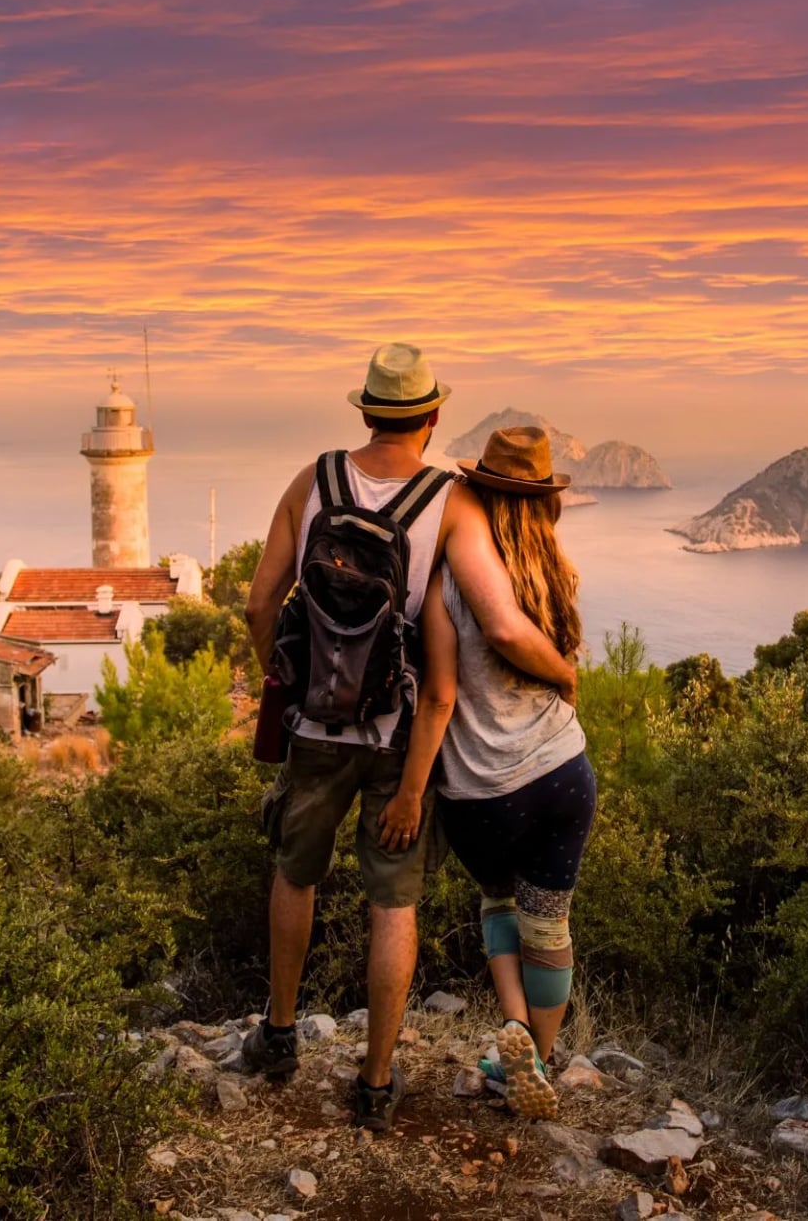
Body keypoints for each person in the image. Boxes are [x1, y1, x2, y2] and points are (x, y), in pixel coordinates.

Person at [240, 344, 578, 1132]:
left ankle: (281, 1036)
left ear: (363, 411)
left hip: (316, 725)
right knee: (393, 903)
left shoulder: (313, 479)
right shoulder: (449, 502)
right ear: (431, 416)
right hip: (399, 733)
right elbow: (498, 621)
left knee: (296, 876)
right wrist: (563, 671)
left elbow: (261, 605)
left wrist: (282, 681)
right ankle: (377, 1084)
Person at [376, 425, 594, 1120]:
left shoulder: (447, 584)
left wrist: (411, 794)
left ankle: (514, 1041)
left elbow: (439, 698)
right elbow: (554, 663)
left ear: (482, 495)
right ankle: (534, 1058)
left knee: (499, 905)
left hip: (480, 793)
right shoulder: (557, 575)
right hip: (563, 770)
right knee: (548, 922)